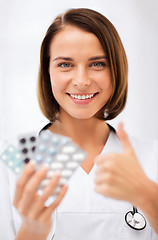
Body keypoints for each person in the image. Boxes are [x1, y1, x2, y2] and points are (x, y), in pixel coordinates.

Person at [0, 8, 158, 240]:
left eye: (97, 64)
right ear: (48, 72)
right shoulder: (11, 160)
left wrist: (148, 197)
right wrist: (32, 232)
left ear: (116, 69)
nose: (82, 81)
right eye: (65, 64)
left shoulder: (151, 158)